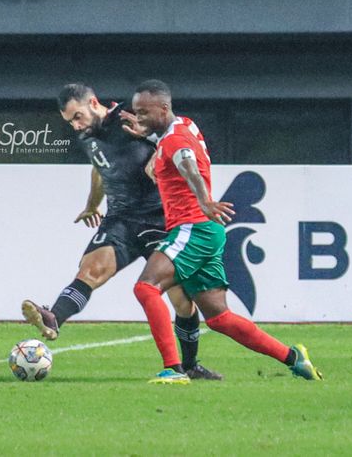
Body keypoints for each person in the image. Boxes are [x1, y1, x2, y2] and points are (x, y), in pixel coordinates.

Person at [121, 79, 323, 382]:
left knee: (146, 287)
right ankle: (294, 357)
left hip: (193, 227)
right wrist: (151, 137)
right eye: (136, 113)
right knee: (219, 318)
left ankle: (174, 369)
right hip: (207, 232)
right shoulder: (184, 126)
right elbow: (176, 147)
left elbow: (187, 162)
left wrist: (204, 200)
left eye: (144, 113)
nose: (139, 119)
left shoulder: (175, 141)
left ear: (163, 108)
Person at [21, 83, 222, 381]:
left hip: (158, 217)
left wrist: (159, 153)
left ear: (92, 102)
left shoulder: (129, 116)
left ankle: (189, 364)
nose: (76, 125)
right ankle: (54, 318)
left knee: (181, 300)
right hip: (121, 219)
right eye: (70, 122)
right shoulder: (87, 137)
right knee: (91, 270)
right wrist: (91, 205)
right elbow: (99, 168)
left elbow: (175, 135)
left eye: (78, 116)